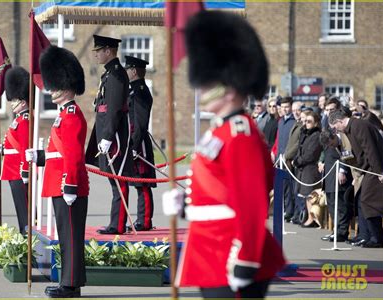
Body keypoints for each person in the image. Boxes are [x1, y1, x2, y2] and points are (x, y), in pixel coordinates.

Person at [162, 11, 286, 299]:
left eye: (208, 82)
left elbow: (251, 202)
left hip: (232, 250)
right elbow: (219, 190)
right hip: (210, 247)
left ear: (230, 87)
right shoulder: (218, 131)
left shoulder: (240, 134)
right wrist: (185, 206)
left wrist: (246, 257)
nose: (201, 88)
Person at [26, 45, 89, 297]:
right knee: (65, 237)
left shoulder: (72, 114)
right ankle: (69, 281)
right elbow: (60, 152)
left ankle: (70, 285)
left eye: (55, 84)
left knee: (71, 237)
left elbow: (73, 155)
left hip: (68, 185)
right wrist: (40, 156)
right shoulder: (63, 114)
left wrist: (70, 184)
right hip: (60, 182)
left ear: (67, 85)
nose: (51, 89)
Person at [85, 35, 133, 235]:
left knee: (119, 179)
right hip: (109, 132)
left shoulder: (115, 75)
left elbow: (113, 109)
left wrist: (108, 136)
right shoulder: (109, 74)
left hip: (115, 136)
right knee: (114, 180)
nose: (95, 54)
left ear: (109, 51)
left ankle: (118, 224)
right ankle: (116, 222)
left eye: (99, 51)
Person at [329, 110, 383, 248]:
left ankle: (377, 238)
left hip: (374, 168)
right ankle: (370, 236)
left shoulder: (358, 125)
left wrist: (379, 172)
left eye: (335, 127)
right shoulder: (351, 128)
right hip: (367, 169)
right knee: (362, 199)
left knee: (367, 200)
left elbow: (370, 149)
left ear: (339, 121)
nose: (336, 131)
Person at [0, 66, 30, 235]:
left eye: (14, 100)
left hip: (18, 170)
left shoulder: (25, 120)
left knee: (24, 210)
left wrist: (25, 171)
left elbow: (24, 147)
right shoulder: (19, 119)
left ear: (23, 101)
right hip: (12, 169)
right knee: (20, 207)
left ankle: (27, 236)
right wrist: (3, 149)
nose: (12, 103)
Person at [124, 55, 156, 231]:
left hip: (139, 144)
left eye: (128, 69)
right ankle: (141, 219)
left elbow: (140, 122)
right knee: (137, 182)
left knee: (142, 183)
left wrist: (134, 146)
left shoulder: (140, 91)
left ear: (134, 71)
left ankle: (144, 221)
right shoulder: (133, 90)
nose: (126, 72)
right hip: (134, 141)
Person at [319, 130, 352, 241]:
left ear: (333, 137)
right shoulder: (327, 142)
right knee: (332, 206)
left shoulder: (343, 139)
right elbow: (323, 152)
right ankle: (336, 230)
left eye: (331, 143)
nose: (330, 146)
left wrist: (343, 170)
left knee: (341, 206)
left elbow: (346, 154)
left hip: (339, 177)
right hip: (329, 176)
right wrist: (320, 161)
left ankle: (342, 233)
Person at [292, 111, 323, 228]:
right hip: (303, 168)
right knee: (305, 194)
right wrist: (296, 159)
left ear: (315, 123)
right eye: (305, 121)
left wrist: (298, 161)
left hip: (310, 168)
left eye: (309, 121)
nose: (306, 124)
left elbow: (311, 154)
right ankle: (308, 217)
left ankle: (312, 219)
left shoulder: (316, 135)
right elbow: (300, 149)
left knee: (310, 195)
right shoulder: (305, 133)